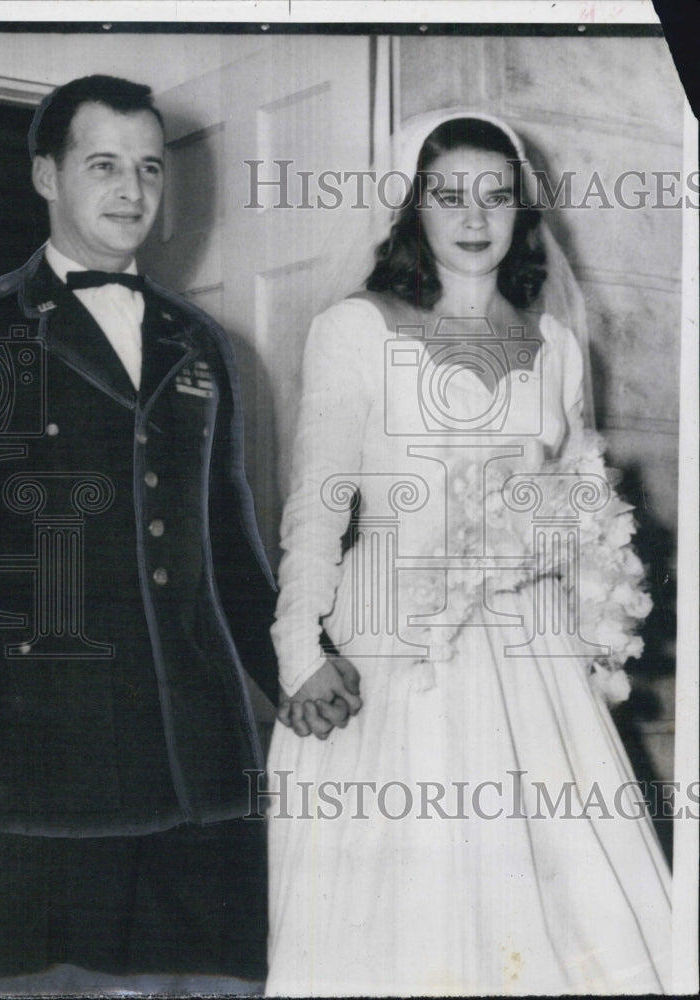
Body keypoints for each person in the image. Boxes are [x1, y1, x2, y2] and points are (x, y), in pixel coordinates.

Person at [265, 112, 672, 995]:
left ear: (520, 208)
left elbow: (576, 504)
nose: (474, 214)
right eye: (448, 194)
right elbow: (317, 503)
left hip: (528, 655)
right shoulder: (354, 330)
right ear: (413, 207)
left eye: (496, 193)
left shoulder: (556, 347)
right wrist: (299, 654)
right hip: (390, 641)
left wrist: (569, 547)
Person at [0, 74, 296, 990]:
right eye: (103, 164)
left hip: (199, 760)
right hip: (45, 763)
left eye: (149, 168)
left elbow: (230, 550)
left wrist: (298, 683)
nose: (131, 191)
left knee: (214, 983)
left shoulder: (201, 343)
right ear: (44, 174)